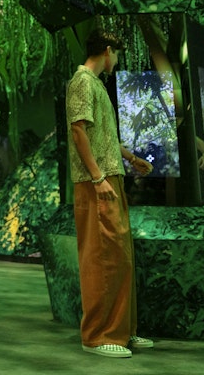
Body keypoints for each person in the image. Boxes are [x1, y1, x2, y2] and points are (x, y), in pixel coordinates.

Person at [66, 29, 154, 359]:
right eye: (116, 53)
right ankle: (97, 335)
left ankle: (121, 330)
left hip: (107, 177)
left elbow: (98, 133)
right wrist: (97, 176)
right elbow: (78, 130)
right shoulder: (83, 82)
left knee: (119, 255)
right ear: (107, 50)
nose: (117, 59)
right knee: (102, 256)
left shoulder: (96, 84)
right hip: (95, 182)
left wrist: (130, 158)